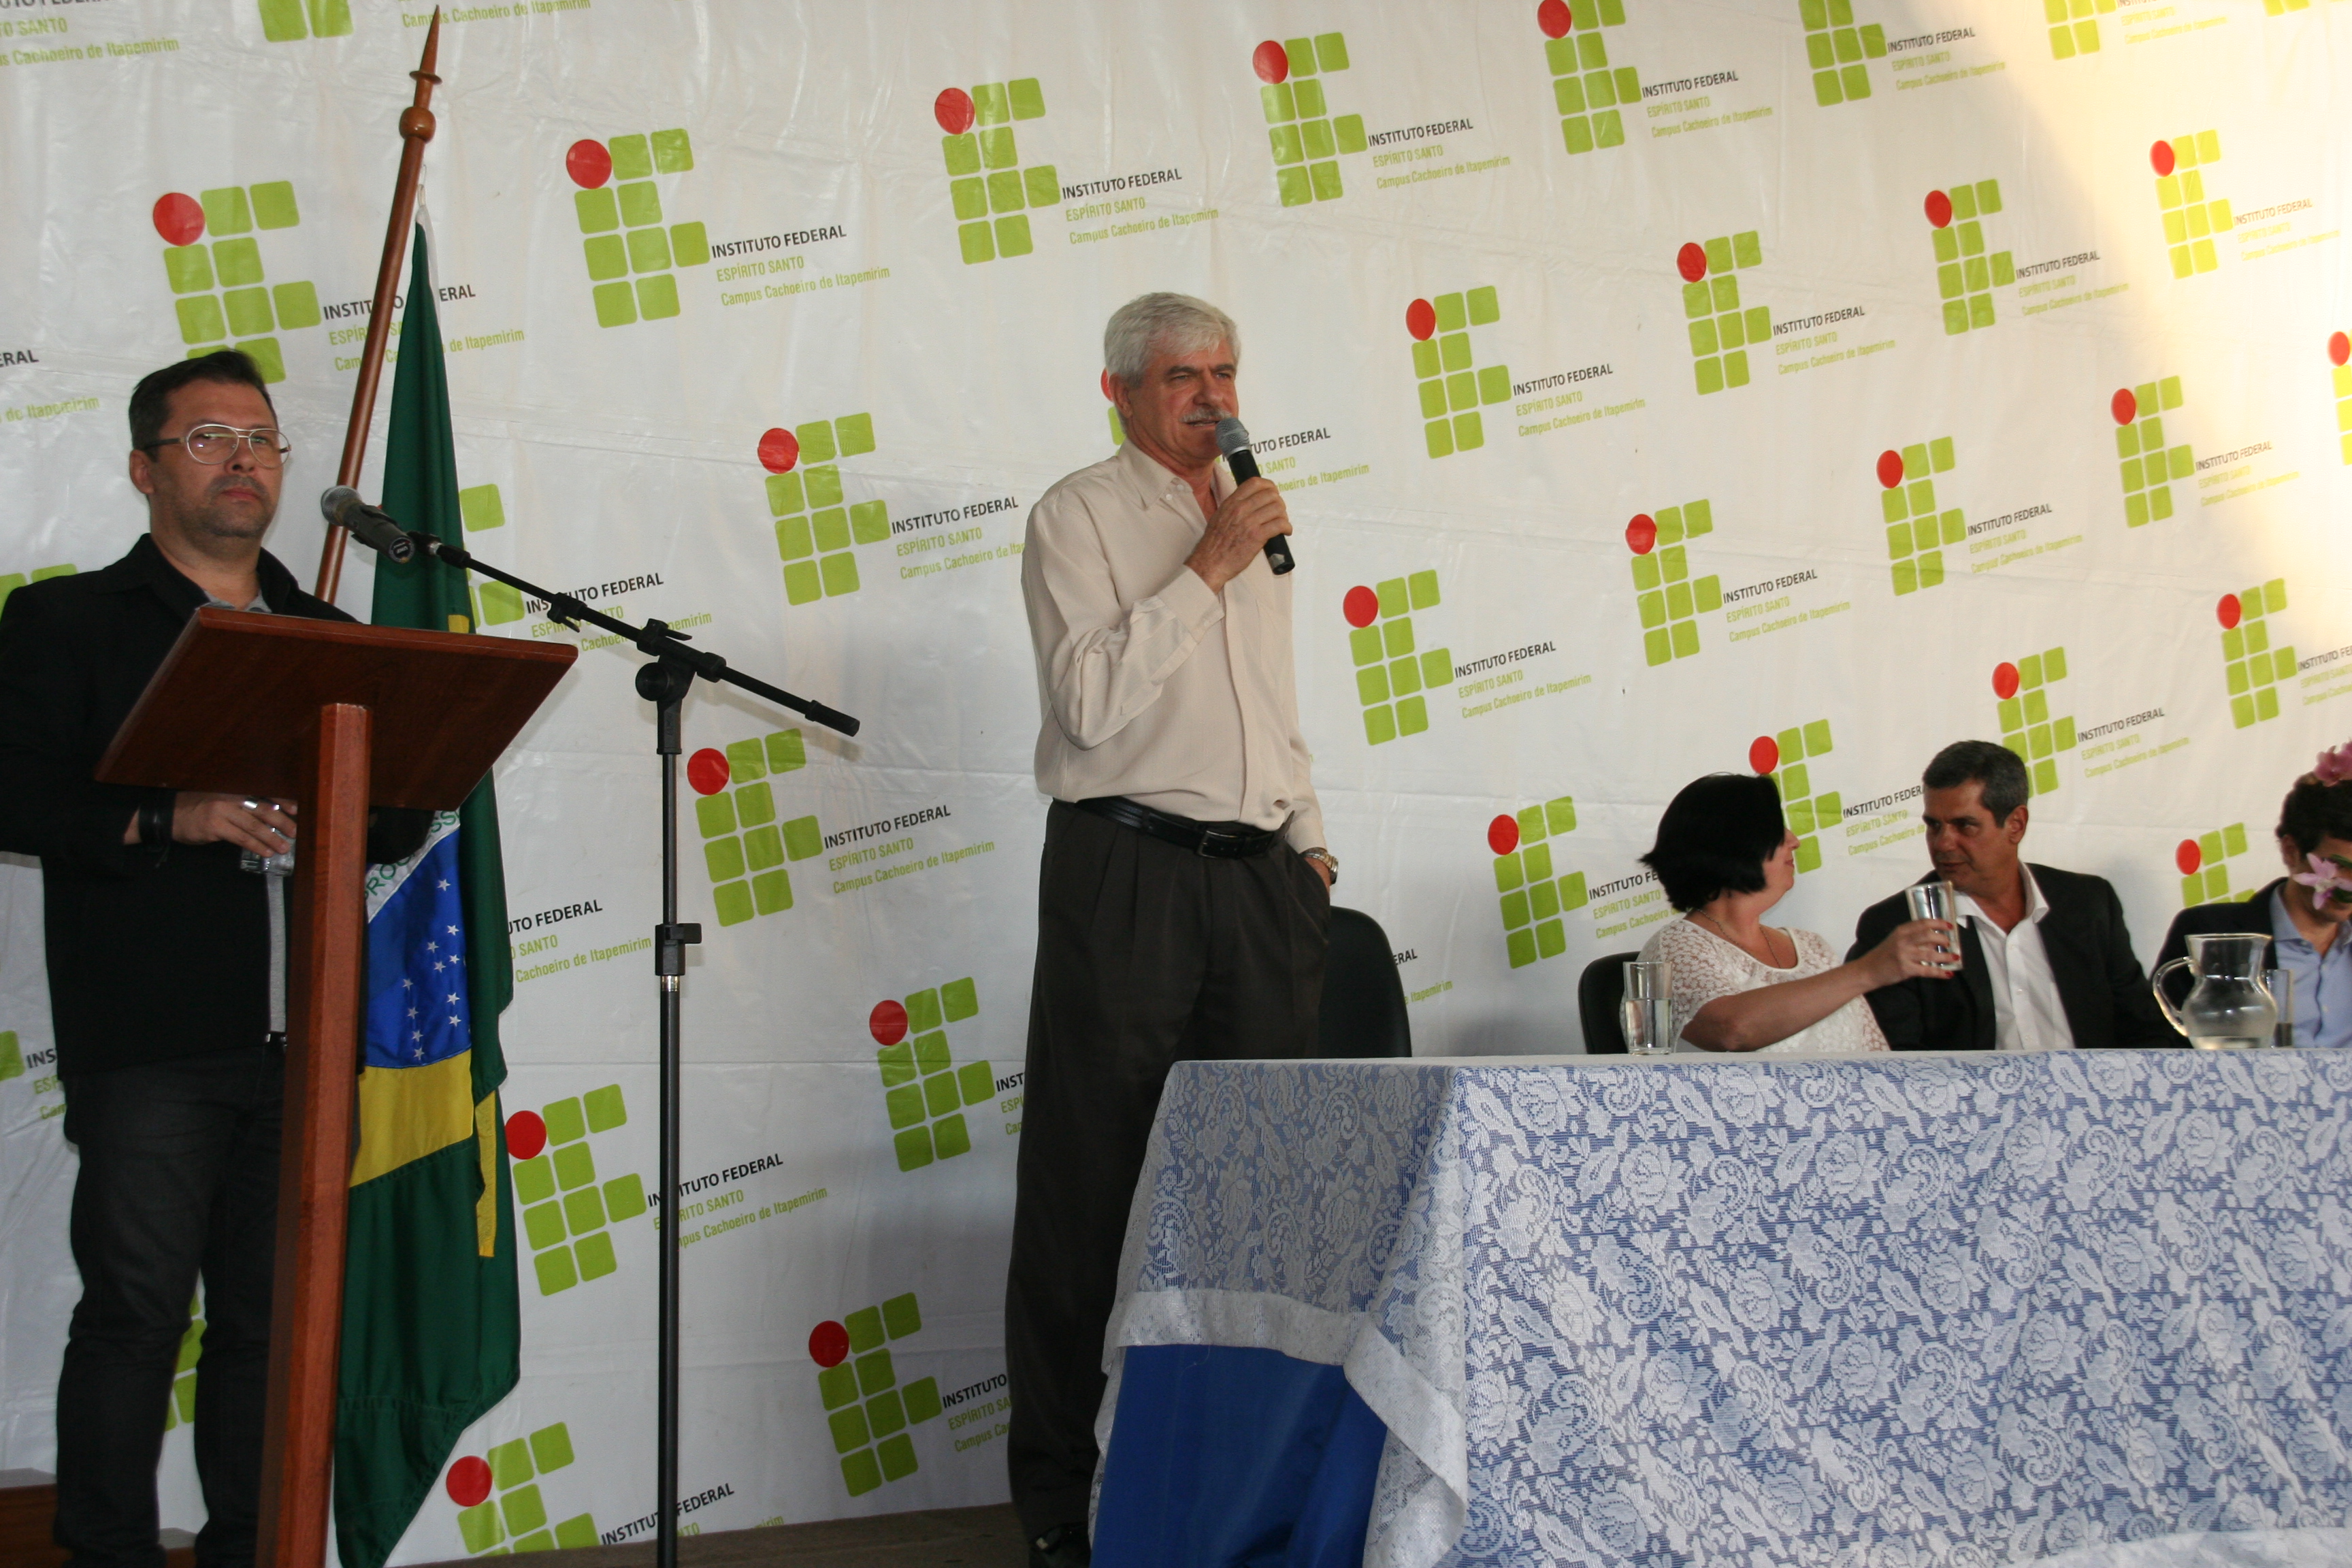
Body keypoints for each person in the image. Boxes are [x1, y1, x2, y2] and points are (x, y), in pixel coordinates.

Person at [0, 350, 422, 1568]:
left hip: (312, 1041)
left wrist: (364, 794)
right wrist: (164, 814)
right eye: (207, 438)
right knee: (135, 1316)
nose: (244, 459)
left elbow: (395, 817)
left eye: (262, 439)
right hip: (155, 1040)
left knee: (272, 1328)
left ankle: (255, 1550)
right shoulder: (67, 622)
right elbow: (15, 792)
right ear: (145, 470)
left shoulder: (329, 636)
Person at [1007, 293, 1334, 1567]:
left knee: (1261, 1190)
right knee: (1093, 1185)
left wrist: (1308, 836)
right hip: (1129, 868)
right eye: (1184, 376)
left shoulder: (1250, 510)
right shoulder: (1079, 514)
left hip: (1261, 883)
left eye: (1226, 372)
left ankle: (1238, 1486)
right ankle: (1061, 1496)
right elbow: (1088, 703)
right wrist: (1206, 568)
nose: (1214, 396)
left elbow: (1271, 702)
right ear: (1123, 392)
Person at [1850, 739, 2174, 1051]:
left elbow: (2146, 1031)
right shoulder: (1896, 925)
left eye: (1965, 826)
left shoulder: (2088, 903)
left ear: (2016, 824)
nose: (1943, 843)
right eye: (1934, 825)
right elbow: (1899, 1063)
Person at [1634, 774, 1945, 1053]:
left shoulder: (1813, 948)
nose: (1794, 841)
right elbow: (1731, 1030)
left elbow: (1877, 1059)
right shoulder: (1673, 949)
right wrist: (1869, 970)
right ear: (1732, 843)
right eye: (1775, 829)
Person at [2154, 766, 2352, 1046]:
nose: (2349, 884)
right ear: (2291, 852)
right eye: (2337, 866)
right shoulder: (2213, 933)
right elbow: (2159, 1044)